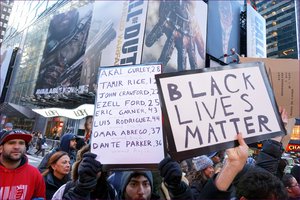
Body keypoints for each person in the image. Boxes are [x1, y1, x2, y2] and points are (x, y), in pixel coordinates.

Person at [159, 133, 288, 199]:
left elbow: (266, 172)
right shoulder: (197, 185)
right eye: (209, 167)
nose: (212, 169)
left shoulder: (265, 190)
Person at [52, 144, 118, 200]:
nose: (91, 168)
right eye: (87, 163)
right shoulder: (65, 188)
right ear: (80, 165)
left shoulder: (110, 191)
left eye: (96, 164)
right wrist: (79, 192)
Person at [0, 129, 46, 199]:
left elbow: (40, 197)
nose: (17, 147)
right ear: (1, 148)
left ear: (25, 147)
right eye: (11, 143)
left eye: (21, 143)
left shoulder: (35, 174)